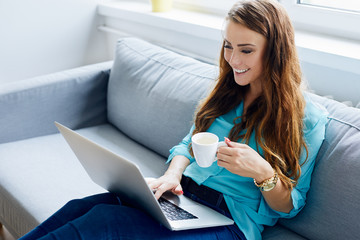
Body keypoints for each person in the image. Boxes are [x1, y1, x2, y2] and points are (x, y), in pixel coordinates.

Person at [20, 0, 328, 239]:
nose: (234, 60)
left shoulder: (307, 119)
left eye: (246, 50)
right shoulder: (227, 92)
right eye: (228, 46)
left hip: (231, 224)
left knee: (104, 224)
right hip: (184, 199)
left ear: (276, 51)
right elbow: (188, 144)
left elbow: (288, 206)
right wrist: (172, 176)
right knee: (81, 209)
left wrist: (261, 171)